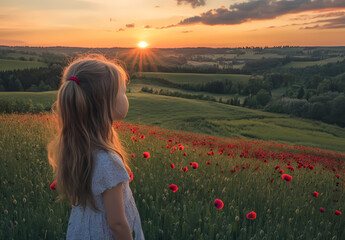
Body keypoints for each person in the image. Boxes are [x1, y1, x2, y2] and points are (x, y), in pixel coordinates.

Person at [47, 53, 145, 240]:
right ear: (104, 104)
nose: (125, 97)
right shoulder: (108, 162)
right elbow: (116, 224)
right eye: (123, 92)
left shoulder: (80, 149)